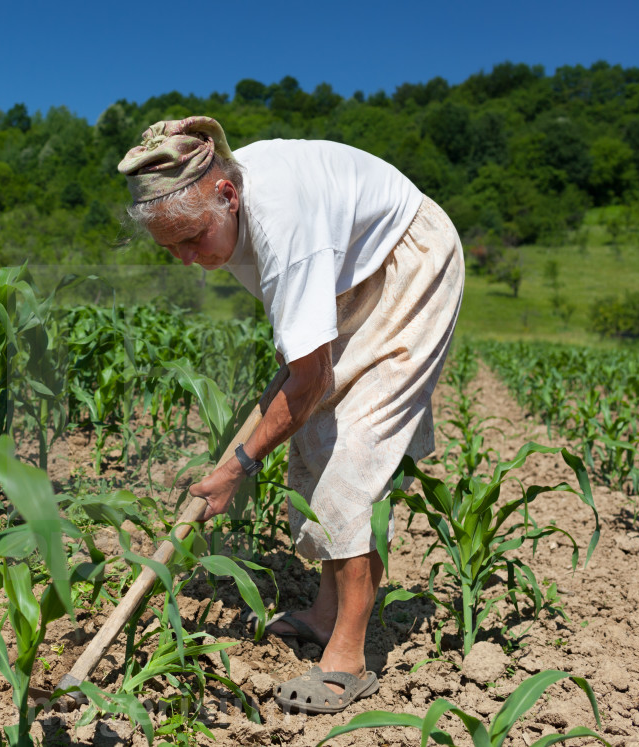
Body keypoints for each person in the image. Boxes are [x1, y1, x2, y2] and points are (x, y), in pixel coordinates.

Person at [117, 117, 464, 714]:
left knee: (354, 452)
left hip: (409, 263)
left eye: (192, 238)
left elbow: (308, 381)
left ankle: (349, 658)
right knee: (314, 439)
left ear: (227, 195)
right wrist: (265, 428)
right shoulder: (228, 207)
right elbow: (301, 366)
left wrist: (238, 467)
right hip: (346, 274)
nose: (185, 258)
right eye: (169, 246)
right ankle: (327, 613)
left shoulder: (282, 224)